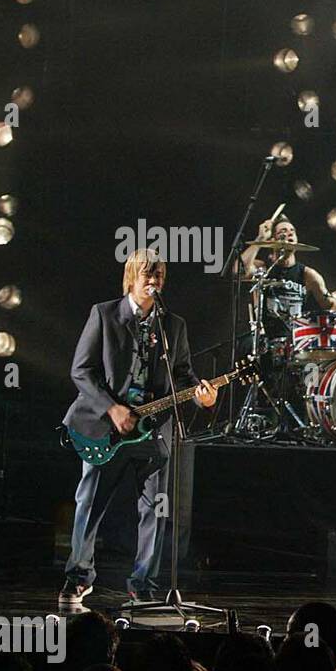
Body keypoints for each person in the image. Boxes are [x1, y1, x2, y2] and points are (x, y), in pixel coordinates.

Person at [61, 250, 216, 603]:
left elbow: (183, 376)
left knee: (155, 509)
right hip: (106, 428)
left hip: (152, 431)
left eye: (159, 275)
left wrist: (200, 397)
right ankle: (78, 575)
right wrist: (112, 408)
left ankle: (143, 583)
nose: (153, 280)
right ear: (131, 276)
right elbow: (81, 371)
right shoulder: (104, 314)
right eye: (147, 273)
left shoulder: (173, 325)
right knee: (90, 502)